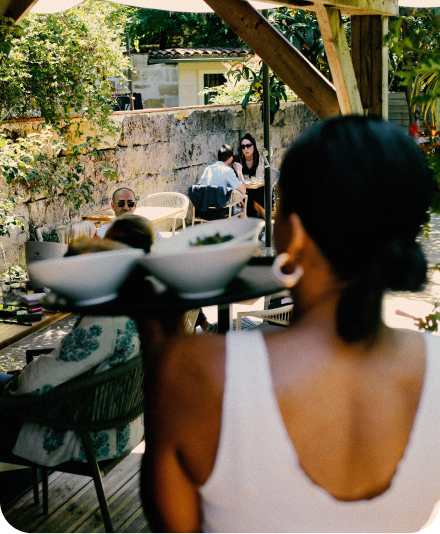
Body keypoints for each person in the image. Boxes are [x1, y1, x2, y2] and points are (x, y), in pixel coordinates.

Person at [141, 116, 440, 534]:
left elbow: (173, 524)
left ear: (295, 234)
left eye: (279, 209)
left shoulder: (196, 370)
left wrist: (158, 338)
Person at [0, 238, 144, 466]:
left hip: (84, 434)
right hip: (119, 427)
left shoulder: (104, 321)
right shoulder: (133, 307)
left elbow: (29, 385)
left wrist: (17, 380)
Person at [232, 133, 265, 218]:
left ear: (253, 146)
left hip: (259, 189)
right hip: (244, 190)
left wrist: (261, 161)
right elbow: (235, 179)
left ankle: (268, 222)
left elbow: (260, 177)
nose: (246, 149)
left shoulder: (259, 158)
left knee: (257, 195)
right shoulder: (237, 160)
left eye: (248, 146)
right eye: (243, 147)